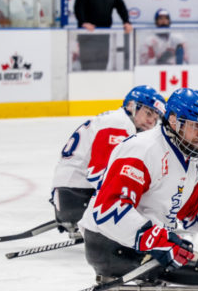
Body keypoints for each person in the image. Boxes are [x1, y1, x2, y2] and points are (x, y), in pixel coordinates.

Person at [78, 88, 198, 291]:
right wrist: (156, 239)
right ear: (174, 121)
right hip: (110, 244)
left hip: (147, 241)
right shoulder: (142, 150)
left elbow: (195, 210)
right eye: (196, 126)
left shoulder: (193, 158)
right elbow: (109, 209)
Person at [51, 86, 165, 236]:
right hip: (75, 198)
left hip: (69, 195)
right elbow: (98, 173)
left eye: (156, 119)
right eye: (148, 113)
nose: (151, 121)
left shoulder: (117, 121)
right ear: (131, 106)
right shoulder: (118, 124)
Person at [73, 0, 133, 71]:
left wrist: (126, 21)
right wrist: (83, 23)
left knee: (102, 65)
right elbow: (78, 7)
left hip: (104, 34)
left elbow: (120, 6)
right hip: (88, 35)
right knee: (88, 66)